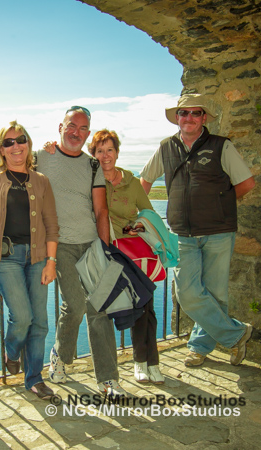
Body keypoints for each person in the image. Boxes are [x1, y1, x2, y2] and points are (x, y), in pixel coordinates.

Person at [140, 93, 256, 367]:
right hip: (181, 234)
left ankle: (200, 347)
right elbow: (145, 180)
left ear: (204, 118)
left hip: (219, 232)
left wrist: (219, 205)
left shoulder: (221, 146)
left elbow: (247, 183)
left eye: (195, 113)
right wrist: (146, 217)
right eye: (184, 113)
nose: (189, 117)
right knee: (187, 294)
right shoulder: (166, 147)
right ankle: (236, 334)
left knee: (216, 294)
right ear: (177, 118)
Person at [37, 106, 128, 397]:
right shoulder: (41, 157)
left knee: (100, 308)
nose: (76, 132)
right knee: (76, 305)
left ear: (88, 133)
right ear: (60, 127)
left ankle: (108, 380)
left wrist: (104, 249)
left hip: (90, 243)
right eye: (71, 126)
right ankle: (61, 355)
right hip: (59, 244)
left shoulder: (92, 166)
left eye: (83, 128)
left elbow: (101, 211)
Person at [0, 121, 59, 400]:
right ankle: (12, 351)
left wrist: (51, 261)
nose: (16, 146)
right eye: (8, 142)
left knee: (40, 321)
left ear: (28, 144)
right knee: (22, 317)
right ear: (1, 149)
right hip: (5, 257)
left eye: (20, 140)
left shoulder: (41, 180)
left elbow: (51, 223)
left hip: (38, 257)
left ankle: (34, 379)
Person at [87, 129, 163, 384]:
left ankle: (148, 362)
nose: (105, 155)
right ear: (93, 154)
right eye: (100, 151)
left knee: (145, 307)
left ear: (117, 153)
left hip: (134, 252)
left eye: (110, 150)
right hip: (106, 252)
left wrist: (137, 226)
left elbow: (148, 213)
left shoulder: (131, 182)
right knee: (108, 311)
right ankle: (115, 371)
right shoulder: (90, 180)